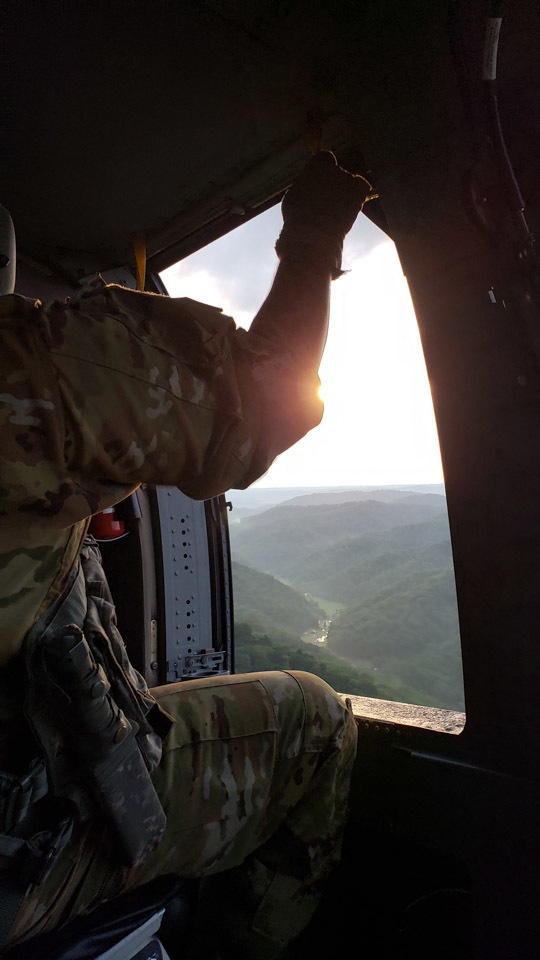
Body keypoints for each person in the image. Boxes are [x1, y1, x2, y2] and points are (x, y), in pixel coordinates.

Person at [0, 152, 369, 959]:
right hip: (24, 858)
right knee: (314, 724)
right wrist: (312, 234)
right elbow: (271, 398)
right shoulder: (31, 367)